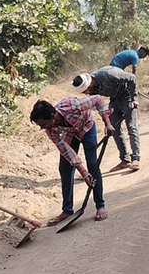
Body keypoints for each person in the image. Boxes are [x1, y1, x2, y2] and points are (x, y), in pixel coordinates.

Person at [30, 95, 113, 224]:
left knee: (93, 165)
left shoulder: (72, 106)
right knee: (65, 168)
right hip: (71, 134)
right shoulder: (50, 130)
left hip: (86, 127)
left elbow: (98, 99)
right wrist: (83, 173)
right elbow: (66, 151)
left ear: (52, 116)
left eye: (43, 124)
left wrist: (107, 123)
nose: (43, 128)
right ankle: (67, 210)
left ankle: (100, 206)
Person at [72, 65, 140, 172]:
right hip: (115, 99)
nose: (87, 93)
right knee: (114, 129)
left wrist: (134, 99)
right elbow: (99, 105)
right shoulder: (92, 89)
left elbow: (132, 78)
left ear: (90, 83)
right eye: (84, 92)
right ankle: (125, 160)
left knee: (131, 126)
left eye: (86, 90)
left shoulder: (109, 74)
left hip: (127, 96)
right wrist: (107, 122)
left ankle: (135, 159)